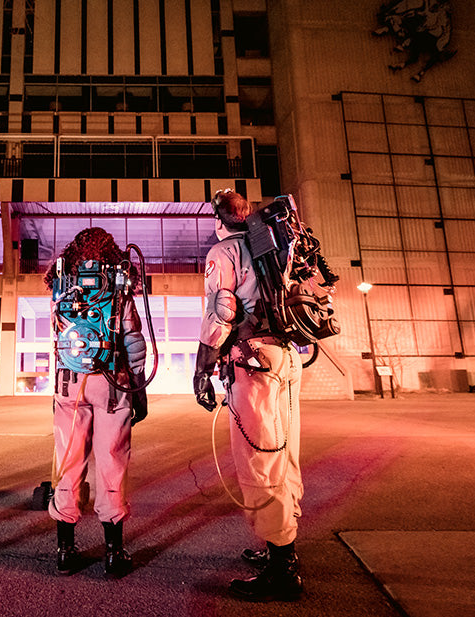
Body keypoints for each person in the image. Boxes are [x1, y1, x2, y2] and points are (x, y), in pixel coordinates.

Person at [192, 189, 305, 602]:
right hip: (285, 357)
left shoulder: (223, 252)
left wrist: (202, 368)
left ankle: (282, 569)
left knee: (260, 460)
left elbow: (221, 312)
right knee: (284, 455)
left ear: (218, 219)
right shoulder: (274, 244)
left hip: (252, 361)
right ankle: (281, 545)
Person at [44, 227, 148, 578]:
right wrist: (138, 389)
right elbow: (133, 342)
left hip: (69, 385)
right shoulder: (117, 290)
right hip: (111, 384)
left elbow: (57, 339)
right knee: (111, 463)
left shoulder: (61, 286)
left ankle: (64, 550)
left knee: (68, 462)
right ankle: (113, 553)